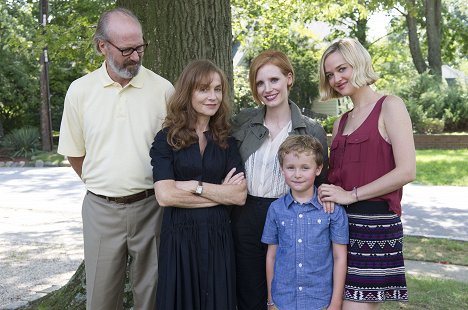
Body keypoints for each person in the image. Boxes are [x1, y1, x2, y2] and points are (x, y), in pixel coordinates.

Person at [57, 8, 174, 309]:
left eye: (140, 47)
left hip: (153, 209)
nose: (135, 56)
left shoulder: (163, 90)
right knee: (100, 299)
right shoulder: (79, 92)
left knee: (153, 296)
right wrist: (106, 186)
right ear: (102, 46)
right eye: (126, 50)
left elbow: (176, 151)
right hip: (101, 211)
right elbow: (75, 153)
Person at [317, 38, 416, 309]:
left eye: (342, 69)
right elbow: (335, 179)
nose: (336, 78)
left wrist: (352, 195)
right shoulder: (340, 122)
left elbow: (407, 170)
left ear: (358, 64)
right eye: (330, 74)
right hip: (338, 229)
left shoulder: (390, 106)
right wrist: (326, 192)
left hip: (374, 229)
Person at [231, 50, 329, 310]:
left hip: (290, 215)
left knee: (285, 295)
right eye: (260, 83)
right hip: (245, 215)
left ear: (289, 78)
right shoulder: (242, 123)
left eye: (274, 80)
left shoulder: (312, 130)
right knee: (249, 293)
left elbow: (320, 180)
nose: (267, 89)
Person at [150, 59, 247, 310]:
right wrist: (220, 193)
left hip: (219, 239)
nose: (213, 96)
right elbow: (165, 196)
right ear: (188, 92)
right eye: (204, 89)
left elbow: (238, 196)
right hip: (179, 240)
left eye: (218, 89)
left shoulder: (227, 140)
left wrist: (193, 185)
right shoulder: (166, 139)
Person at [262, 135, 348, 310]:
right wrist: (271, 299)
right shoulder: (276, 209)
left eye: (305, 168)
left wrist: (335, 303)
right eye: (291, 167)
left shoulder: (333, 211)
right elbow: (271, 255)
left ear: (318, 169)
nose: (297, 175)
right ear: (282, 168)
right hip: (283, 300)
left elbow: (339, 257)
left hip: (319, 301)